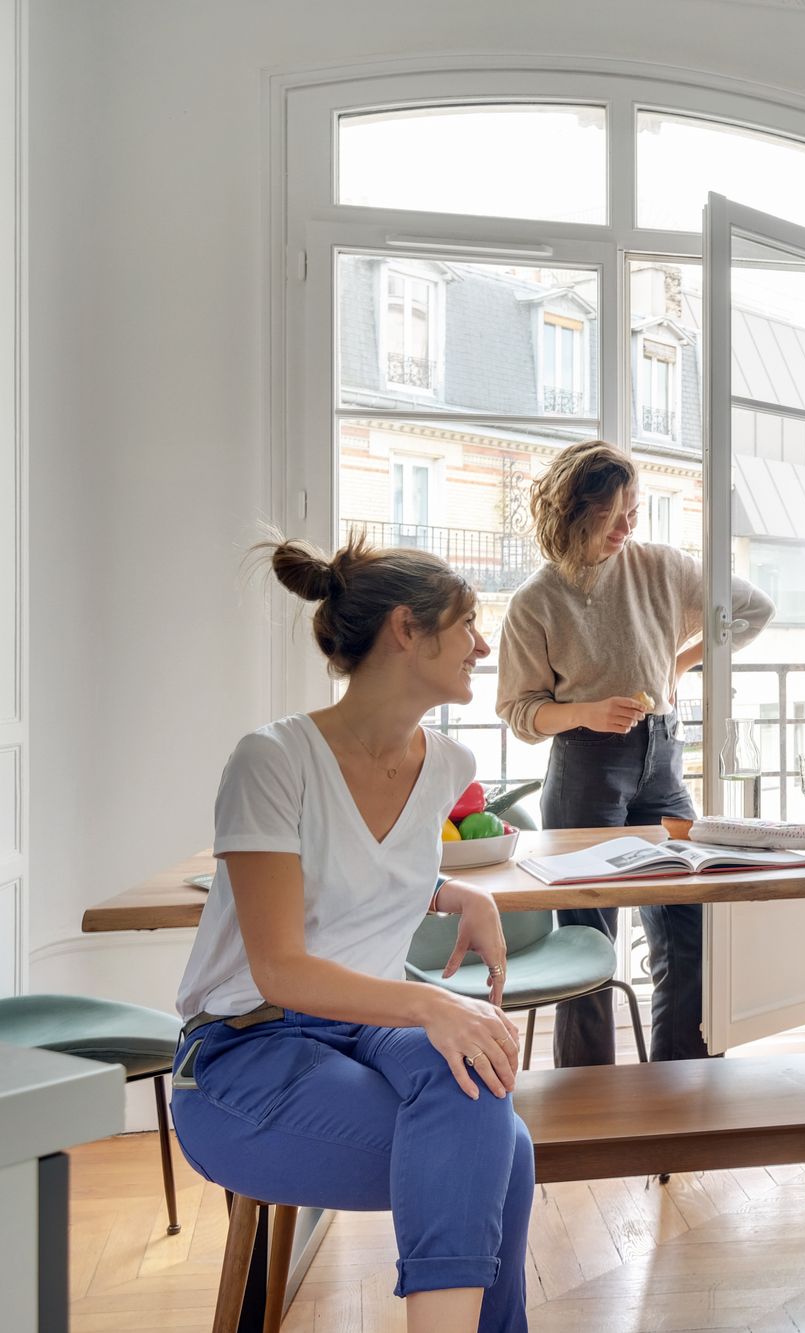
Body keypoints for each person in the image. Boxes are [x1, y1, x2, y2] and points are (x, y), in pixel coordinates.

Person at [171, 537, 531, 1333]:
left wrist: (453, 890)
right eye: (468, 623)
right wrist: (434, 1003)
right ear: (406, 628)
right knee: (499, 1151)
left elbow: (360, 874)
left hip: (362, 1030)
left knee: (480, 1082)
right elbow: (280, 969)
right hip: (245, 1047)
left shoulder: (447, 760)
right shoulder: (272, 759)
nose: (481, 644)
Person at [496, 442, 773, 1065]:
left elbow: (753, 609)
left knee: (688, 922)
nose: (628, 527)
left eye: (635, 511)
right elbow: (519, 712)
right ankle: (588, 1093)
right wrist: (587, 713)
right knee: (588, 938)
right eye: (615, 514)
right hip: (583, 767)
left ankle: (680, 1081)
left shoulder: (662, 567)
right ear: (575, 512)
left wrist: (681, 658)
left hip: (663, 757)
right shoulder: (535, 602)